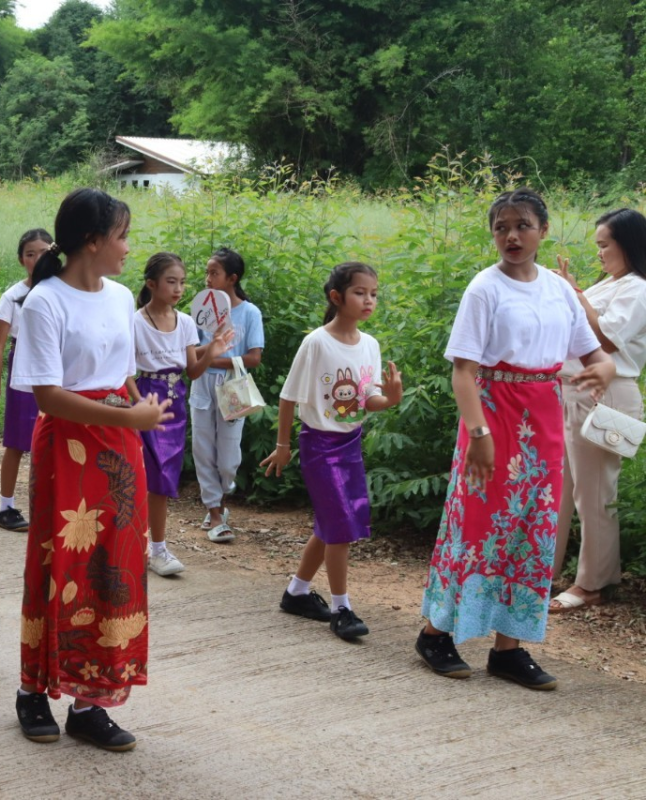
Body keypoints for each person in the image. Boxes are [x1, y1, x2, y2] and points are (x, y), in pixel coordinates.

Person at [417, 188, 615, 691]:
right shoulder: (484, 288)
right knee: (476, 525)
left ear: (543, 231)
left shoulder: (558, 290)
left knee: (531, 530)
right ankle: (435, 633)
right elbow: (463, 372)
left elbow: (595, 355)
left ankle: (509, 649)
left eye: (523, 225)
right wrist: (478, 433)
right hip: (491, 412)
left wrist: (605, 369)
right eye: (502, 227)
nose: (511, 235)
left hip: (544, 419)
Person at [13, 188, 172, 752]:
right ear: (93, 240)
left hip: (120, 444)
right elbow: (49, 397)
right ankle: (34, 691)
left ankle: (91, 701)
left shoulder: (121, 296)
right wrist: (128, 414)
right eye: (123, 235)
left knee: (116, 565)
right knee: (60, 562)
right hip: (68, 447)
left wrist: (137, 414)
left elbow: (122, 374)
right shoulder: (44, 302)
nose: (130, 248)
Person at [261, 262, 403, 639]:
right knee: (340, 528)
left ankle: (297, 592)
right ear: (337, 297)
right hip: (319, 444)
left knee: (330, 526)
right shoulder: (317, 342)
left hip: (350, 444)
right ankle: (342, 608)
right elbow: (289, 396)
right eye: (360, 292)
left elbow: (366, 398)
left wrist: (388, 399)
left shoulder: (369, 345)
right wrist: (283, 446)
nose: (369, 299)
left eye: (373, 293)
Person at [550, 208, 646, 612]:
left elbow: (606, 339)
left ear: (629, 244)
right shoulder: (611, 283)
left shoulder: (638, 288)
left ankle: (593, 582)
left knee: (594, 494)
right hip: (571, 393)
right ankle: (544, 571)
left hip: (605, 395)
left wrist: (575, 295)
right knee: (560, 492)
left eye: (605, 245)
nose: (600, 254)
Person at [128, 252, 233, 576]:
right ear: (151, 284)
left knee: (163, 478)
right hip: (145, 399)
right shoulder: (133, 322)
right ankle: (146, 547)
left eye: (182, 282)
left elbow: (193, 371)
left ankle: (154, 548)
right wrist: (137, 403)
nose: (178, 288)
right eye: (171, 281)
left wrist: (212, 352)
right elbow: (124, 371)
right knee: (145, 476)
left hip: (175, 402)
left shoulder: (185, 322)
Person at [0, 228, 54, 532]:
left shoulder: (61, 290)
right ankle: (5, 507)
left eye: (43, 252)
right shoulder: (13, 295)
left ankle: (48, 504)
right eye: (30, 253)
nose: (37, 259)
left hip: (55, 369)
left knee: (50, 441)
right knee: (17, 442)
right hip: (23, 370)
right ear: (21, 259)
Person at [189, 248, 265, 542]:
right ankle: (216, 511)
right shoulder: (200, 309)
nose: (207, 279)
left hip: (234, 386)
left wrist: (210, 356)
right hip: (202, 385)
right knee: (203, 449)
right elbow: (188, 352)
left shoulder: (249, 312)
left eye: (214, 273)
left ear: (232, 278)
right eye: (207, 272)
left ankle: (221, 498)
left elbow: (254, 357)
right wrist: (209, 353)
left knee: (228, 457)